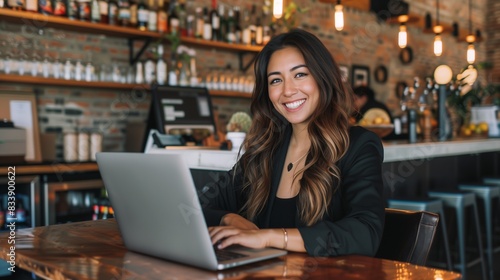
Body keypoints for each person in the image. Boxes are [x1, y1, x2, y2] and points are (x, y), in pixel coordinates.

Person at [199, 28, 385, 257]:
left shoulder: (358, 146)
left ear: (322, 77)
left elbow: (365, 233)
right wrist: (231, 219)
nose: (287, 90)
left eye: (300, 75)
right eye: (276, 80)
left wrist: (268, 237)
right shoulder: (266, 150)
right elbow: (198, 205)